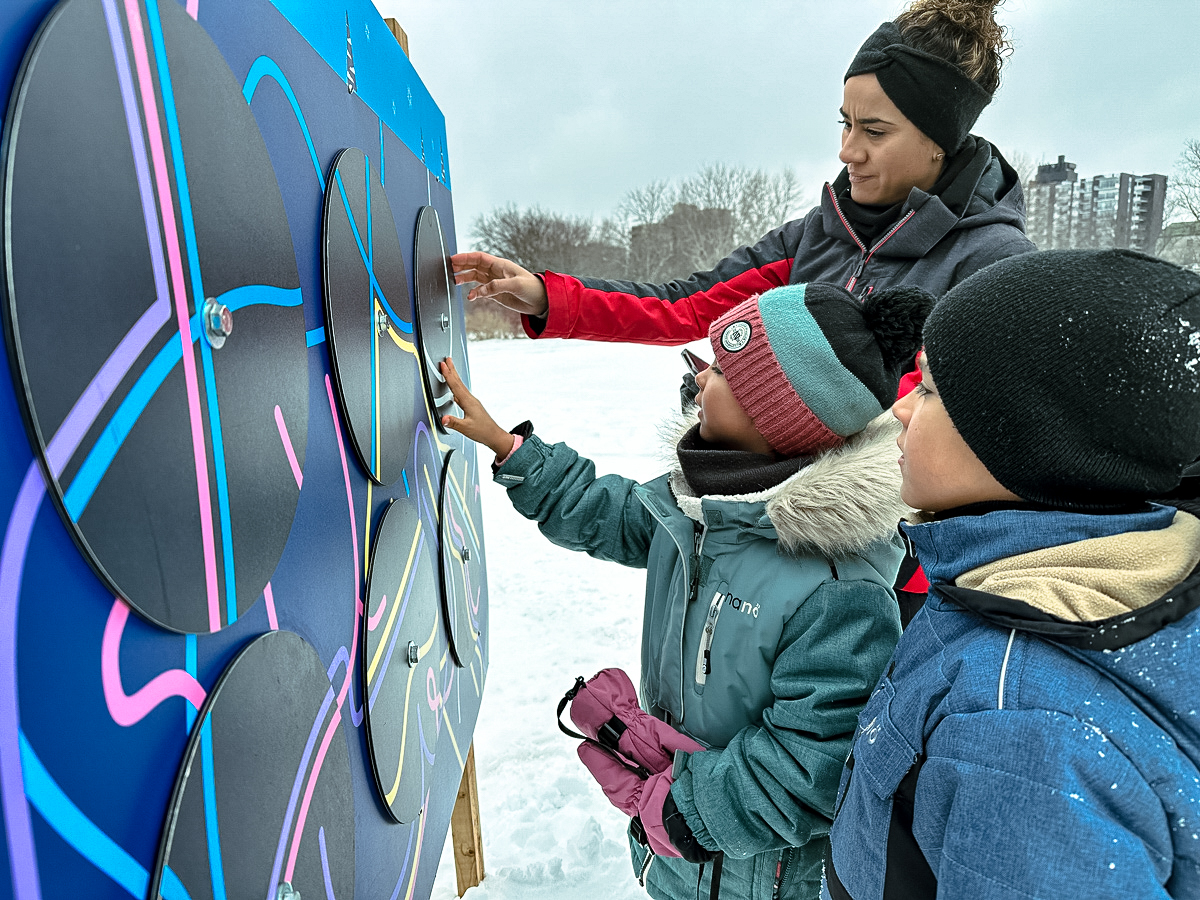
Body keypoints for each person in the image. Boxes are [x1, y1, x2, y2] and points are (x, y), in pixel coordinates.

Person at [440, 281, 933, 899]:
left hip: (758, 876)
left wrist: (679, 811)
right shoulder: (702, 507)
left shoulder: (839, 591)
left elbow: (811, 763)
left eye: (722, 371)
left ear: (773, 416)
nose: (698, 380)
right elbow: (612, 513)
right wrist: (513, 451)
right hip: (680, 851)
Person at [822, 249, 1200, 899]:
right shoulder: (1019, 586)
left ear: (1029, 438)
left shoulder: (1017, 724)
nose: (902, 410)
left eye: (930, 389)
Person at [450, 0, 1033, 349]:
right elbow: (685, 305)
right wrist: (545, 296)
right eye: (846, 123)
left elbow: (951, 426)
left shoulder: (993, 265)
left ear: (939, 143)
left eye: (874, 132)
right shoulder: (816, 236)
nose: (847, 150)